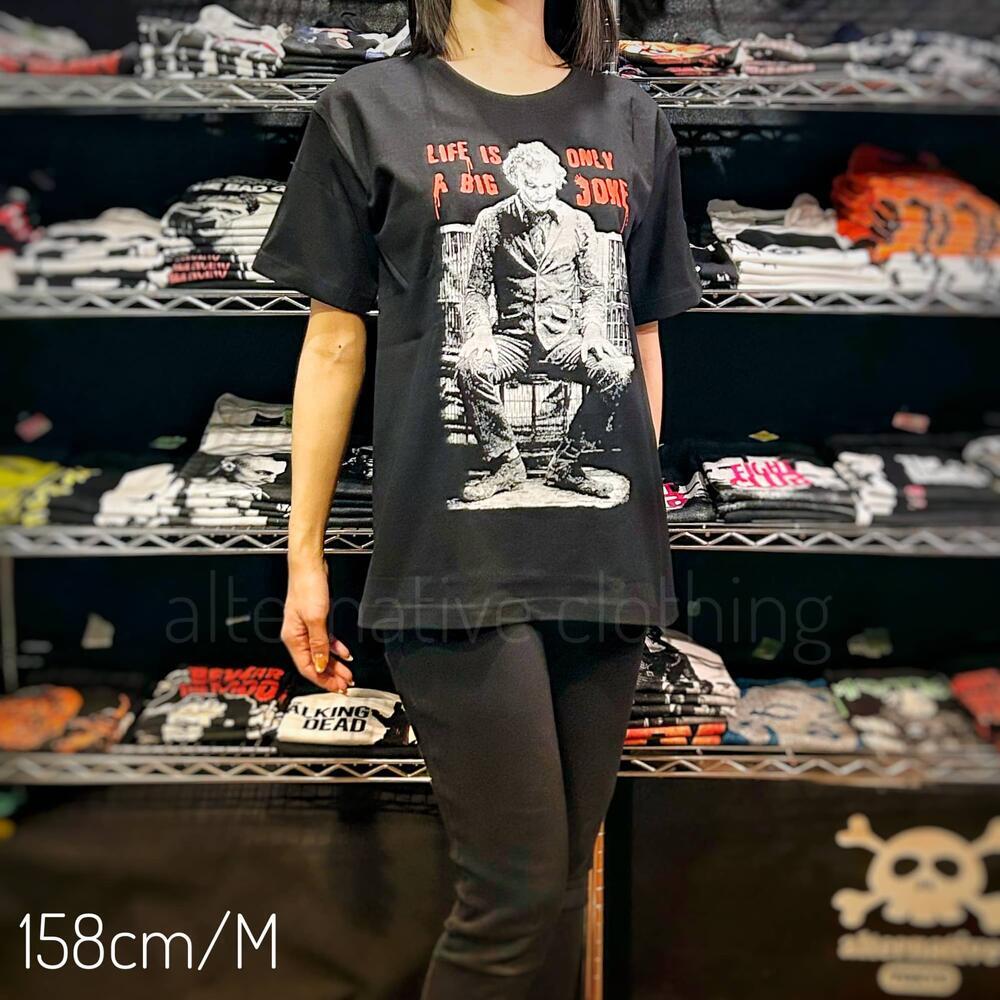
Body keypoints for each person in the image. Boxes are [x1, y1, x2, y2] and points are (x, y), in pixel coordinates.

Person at [254, 1, 702, 997]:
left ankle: (561, 458)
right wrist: (304, 555)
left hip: (605, 560)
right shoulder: (367, 107)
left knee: (560, 889)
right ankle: (508, 455)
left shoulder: (631, 117)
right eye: (528, 177)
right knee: (513, 894)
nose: (536, 184)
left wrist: (636, 517)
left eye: (545, 178)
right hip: (451, 562)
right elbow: (333, 341)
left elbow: (640, 335)